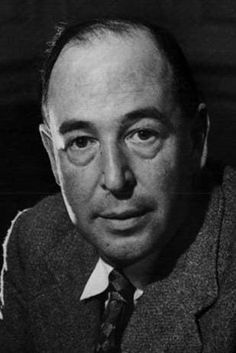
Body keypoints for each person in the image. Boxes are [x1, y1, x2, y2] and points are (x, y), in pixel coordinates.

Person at [0, 18, 236, 353]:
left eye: (142, 134)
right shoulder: (33, 240)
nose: (115, 178)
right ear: (52, 158)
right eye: (82, 142)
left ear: (196, 140)